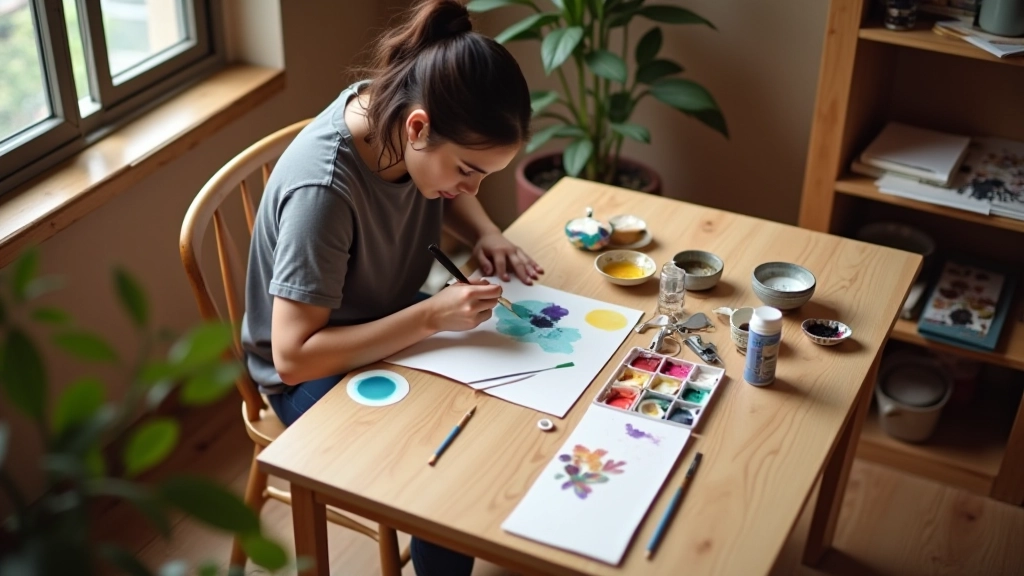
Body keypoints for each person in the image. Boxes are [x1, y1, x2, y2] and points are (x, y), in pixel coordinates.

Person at [240, 0, 540, 573]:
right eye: (468, 172)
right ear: (419, 127)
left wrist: (485, 233)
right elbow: (294, 356)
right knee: (442, 473)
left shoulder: (393, 118)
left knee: (506, 400)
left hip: (385, 319)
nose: (470, 189)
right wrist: (430, 317)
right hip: (310, 369)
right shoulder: (323, 192)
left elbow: (432, 183)